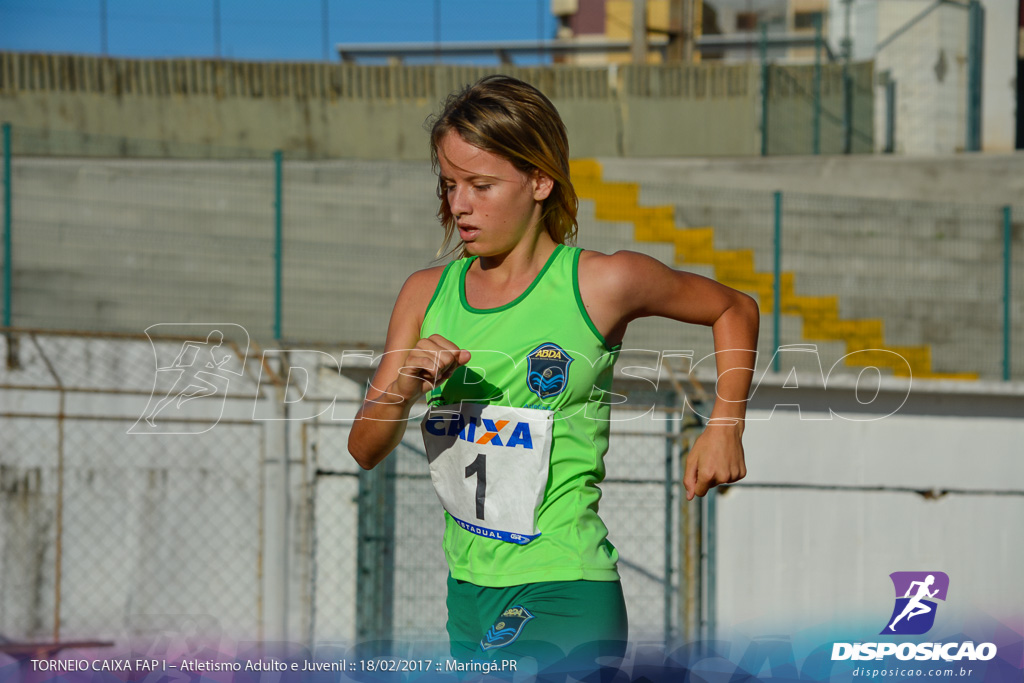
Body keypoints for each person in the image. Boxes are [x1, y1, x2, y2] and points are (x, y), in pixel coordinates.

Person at [348, 75, 759, 672]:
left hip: (565, 582)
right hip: (468, 592)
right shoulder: (424, 294)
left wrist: (725, 425)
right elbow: (364, 448)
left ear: (540, 181)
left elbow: (733, 307)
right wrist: (403, 385)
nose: (460, 204)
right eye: (450, 184)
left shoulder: (600, 282)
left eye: (482, 185)